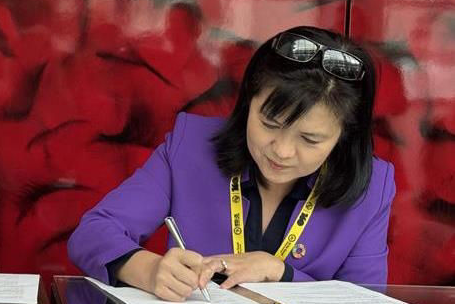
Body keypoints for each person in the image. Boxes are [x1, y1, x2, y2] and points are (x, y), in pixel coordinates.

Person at [67, 26, 395, 301]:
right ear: (247, 103)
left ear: (343, 136)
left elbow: (363, 299)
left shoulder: (373, 188)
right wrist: (147, 269)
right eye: (269, 123)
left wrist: (281, 273)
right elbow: (92, 233)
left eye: (309, 140)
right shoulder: (191, 147)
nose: (281, 151)